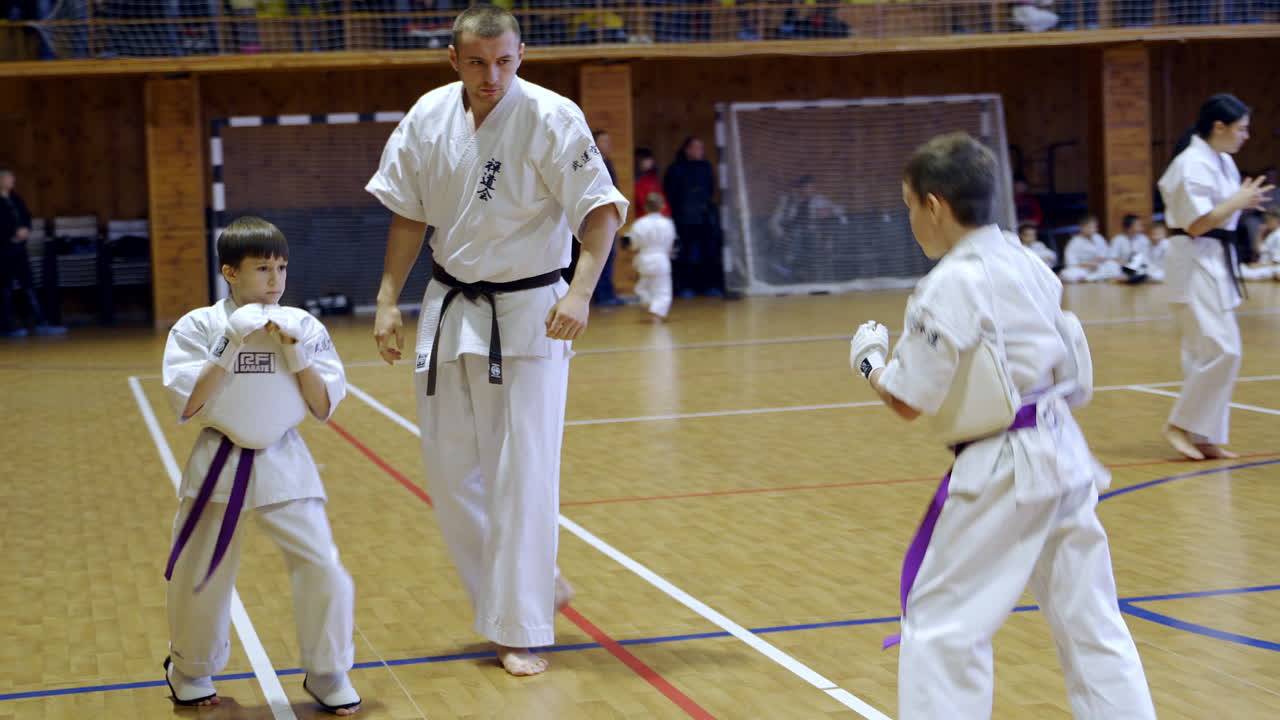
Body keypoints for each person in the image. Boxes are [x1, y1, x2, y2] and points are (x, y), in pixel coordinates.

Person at [849, 133, 1156, 720]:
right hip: (1064, 452)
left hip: (1004, 467)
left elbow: (908, 399)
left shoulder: (949, 284)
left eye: (910, 204)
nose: (910, 217)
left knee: (941, 627)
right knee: (1090, 621)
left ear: (934, 205)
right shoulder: (1028, 261)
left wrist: (869, 360)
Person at [365, 5, 627, 677]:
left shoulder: (551, 115)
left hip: (531, 311)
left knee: (522, 474)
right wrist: (388, 299)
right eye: (479, 63)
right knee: (452, 476)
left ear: (521, 55)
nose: (493, 76)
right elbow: (407, 214)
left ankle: (521, 624)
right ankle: (530, 591)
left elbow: (599, 213)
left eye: (505, 61)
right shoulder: (427, 116)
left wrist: (579, 291)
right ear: (454, 59)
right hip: (450, 305)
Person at [161, 216, 360, 715]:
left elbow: (322, 406)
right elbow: (187, 406)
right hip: (219, 460)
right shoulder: (199, 325)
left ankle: (327, 668)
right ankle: (189, 667)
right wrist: (230, 343)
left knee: (323, 566)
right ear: (230, 272)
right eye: (263, 268)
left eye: (282, 268)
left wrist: (296, 356)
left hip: (283, 459)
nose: (275, 280)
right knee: (200, 572)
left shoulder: (303, 325)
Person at [1157, 93, 1271, 460]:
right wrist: (1237, 202)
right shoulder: (1190, 164)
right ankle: (1179, 424)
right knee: (1224, 349)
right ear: (1218, 127)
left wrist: (1239, 202)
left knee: (1204, 352)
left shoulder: (1221, 162)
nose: (1246, 136)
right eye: (1241, 129)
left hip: (1213, 259)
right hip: (1193, 259)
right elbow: (1196, 223)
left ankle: (1203, 434)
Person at [0, 169, 65, 337]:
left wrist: (25, 230)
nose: (12, 181)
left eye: (12, 179)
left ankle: (42, 322)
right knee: (5, 288)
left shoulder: (15, 198)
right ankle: (7, 327)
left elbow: (26, 217)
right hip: (3, 249)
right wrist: (10, 235)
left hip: (19, 249)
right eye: (9, 179)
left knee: (29, 285)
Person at [664, 136, 722, 296]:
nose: (699, 151)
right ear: (687, 149)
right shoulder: (676, 169)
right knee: (685, 253)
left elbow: (710, 190)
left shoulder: (706, 167)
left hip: (704, 217)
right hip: (684, 219)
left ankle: (709, 285)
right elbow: (671, 194)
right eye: (695, 147)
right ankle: (685, 287)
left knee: (708, 252)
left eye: (701, 148)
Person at [629, 192, 678, 320]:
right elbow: (670, 244)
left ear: (645, 207)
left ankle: (648, 301)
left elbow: (634, 244)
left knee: (643, 286)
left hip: (644, 258)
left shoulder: (639, 224)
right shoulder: (667, 224)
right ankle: (656, 310)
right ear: (662, 206)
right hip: (661, 258)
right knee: (662, 290)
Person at [1059, 214, 1121, 282]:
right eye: (1090, 227)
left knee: (1113, 265)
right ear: (1082, 227)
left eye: (1095, 227)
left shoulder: (1098, 237)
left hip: (1098, 267)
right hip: (1082, 269)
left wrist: (1100, 260)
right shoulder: (1074, 242)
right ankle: (1093, 278)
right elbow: (1071, 263)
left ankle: (1089, 278)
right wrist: (1087, 264)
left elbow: (1106, 254)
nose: (1093, 229)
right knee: (1068, 274)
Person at [1240, 207, 1280, 281]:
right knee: (1238, 268)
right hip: (1262, 265)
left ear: (1276, 219)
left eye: (1268, 220)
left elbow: (1278, 261)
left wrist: (1258, 266)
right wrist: (1260, 233)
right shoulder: (1271, 234)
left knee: (1239, 272)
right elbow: (1258, 250)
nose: (1266, 223)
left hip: (1270, 267)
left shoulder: (1278, 235)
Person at [633, 147, 670, 218]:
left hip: (659, 215)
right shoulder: (636, 180)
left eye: (650, 159)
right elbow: (641, 201)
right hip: (644, 216)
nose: (650, 162)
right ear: (638, 161)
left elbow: (661, 196)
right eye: (646, 159)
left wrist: (666, 213)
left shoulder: (653, 176)